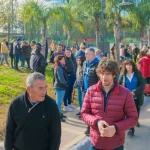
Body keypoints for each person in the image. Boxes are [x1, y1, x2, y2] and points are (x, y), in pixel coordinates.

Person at [81, 58, 138, 150]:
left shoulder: (126, 93)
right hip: (95, 143)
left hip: (115, 145)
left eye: (107, 74)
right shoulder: (91, 91)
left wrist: (115, 128)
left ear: (114, 75)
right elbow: (84, 113)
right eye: (102, 73)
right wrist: (97, 122)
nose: (104, 77)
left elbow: (133, 118)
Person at [4, 72, 61, 150]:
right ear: (29, 89)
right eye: (40, 88)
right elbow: (9, 132)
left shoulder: (51, 105)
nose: (44, 92)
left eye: (45, 87)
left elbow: (56, 135)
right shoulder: (15, 104)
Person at [118, 59, 145, 136]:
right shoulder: (123, 75)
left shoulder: (138, 74)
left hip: (136, 97)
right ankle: (131, 129)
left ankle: (135, 121)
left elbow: (142, 84)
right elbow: (118, 85)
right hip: (126, 98)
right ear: (125, 66)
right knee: (128, 113)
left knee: (136, 113)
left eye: (130, 65)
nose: (128, 66)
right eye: (127, 65)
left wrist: (134, 92)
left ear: (133, 66)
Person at [82, 47, 99, 135]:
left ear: (92, 54)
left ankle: (91, 127)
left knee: (93, 110)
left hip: (94, 92)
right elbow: (83, 75)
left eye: (87, 54)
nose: (85, 55)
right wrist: (81, 86)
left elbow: (100, 79)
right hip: (85, 91)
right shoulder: (85, 63)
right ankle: (89, 126)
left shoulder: (98, 64)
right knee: (87, 110)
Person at [54, 55, 68, 122]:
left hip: (61, 87)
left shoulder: (61, 67)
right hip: (60, 87)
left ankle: (60, 113)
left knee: (59, 102)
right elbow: (61, 79)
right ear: (59, 61)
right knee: (58, 103)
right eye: (63, 59)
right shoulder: (59, 68)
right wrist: (66, 83)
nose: (64, 60)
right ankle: (58, 116)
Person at [63, 47, 77, 112]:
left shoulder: (73, 58)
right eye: (67, 52)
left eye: (69, 52)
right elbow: (64, 69)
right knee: (67, 91)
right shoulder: (65, 60)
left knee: (71, 90)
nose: (68, 53)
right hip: (68, 76)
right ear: (65, 53)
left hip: (73, 76)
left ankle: (69, 103)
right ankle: (65, 106)